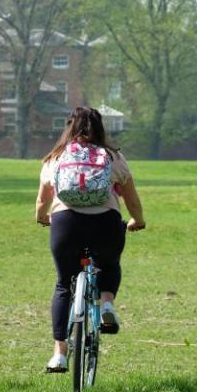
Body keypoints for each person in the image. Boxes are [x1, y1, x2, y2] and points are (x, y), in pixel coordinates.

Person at [36, 106, 145, 373]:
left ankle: (59, 354)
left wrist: (41, 217)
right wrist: (138, 220)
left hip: (65, 224)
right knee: (108, 264)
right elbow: (131, 198)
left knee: (64, 284)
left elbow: (42, 201)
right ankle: (106, 302)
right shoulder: (113, 156)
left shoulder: (56, 157)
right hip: (105, 222)